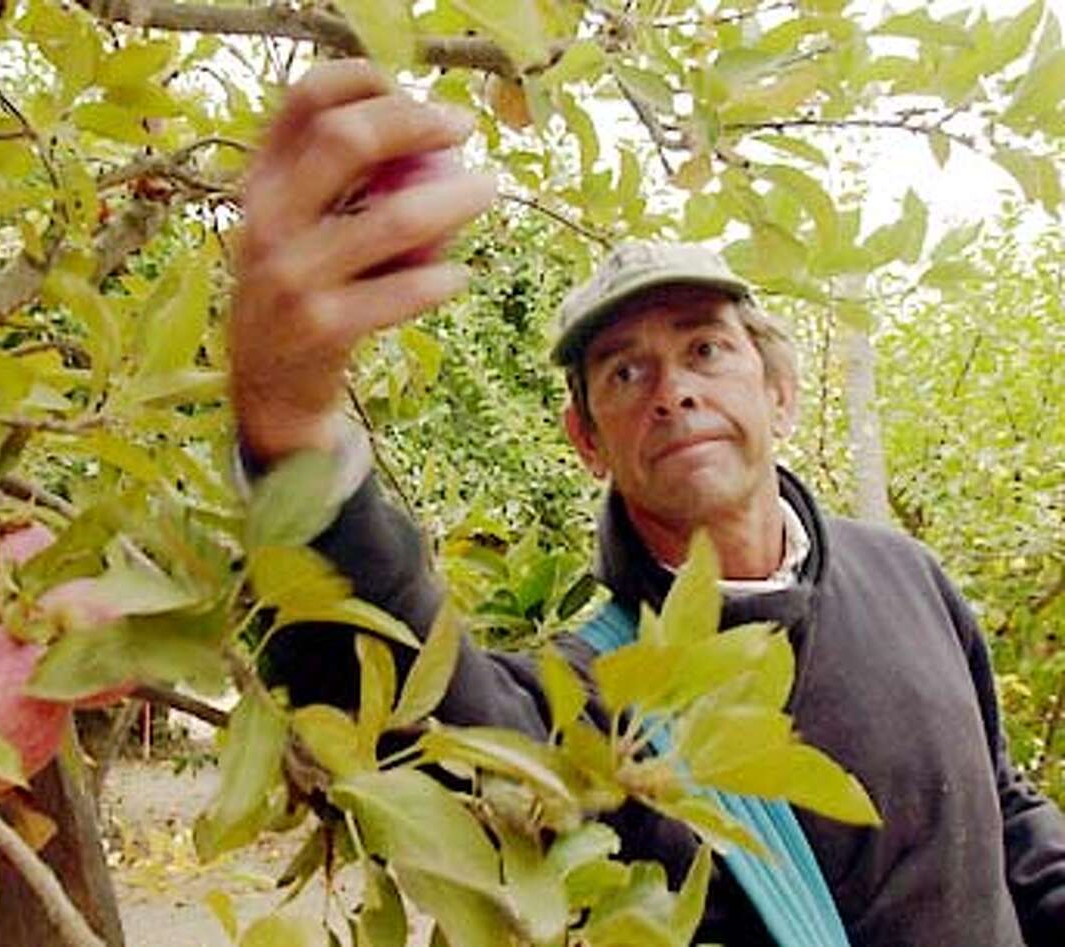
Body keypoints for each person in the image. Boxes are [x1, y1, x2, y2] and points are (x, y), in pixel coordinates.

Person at [227, 59, 1065, 944]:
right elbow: (409, 712)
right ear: (587, 441)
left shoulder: (909, 576)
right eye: (626, 373)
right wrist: (293, 436)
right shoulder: (596, 703)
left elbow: (1004, 809)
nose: (673, 391)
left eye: (705, 350)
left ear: (780, 393)